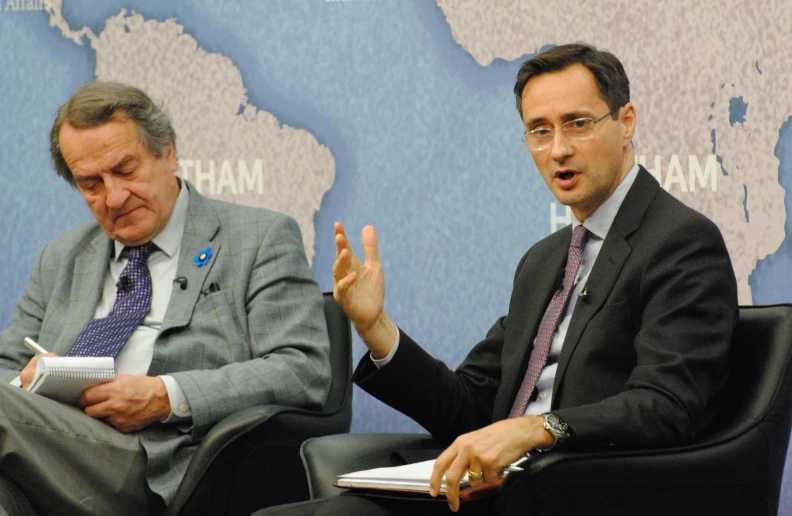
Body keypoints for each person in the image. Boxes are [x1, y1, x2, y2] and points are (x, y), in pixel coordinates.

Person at [254, 43, 738, 516]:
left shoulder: (681, 242)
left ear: (626, 122)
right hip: (488, 492)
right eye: (539, 131)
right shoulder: (544, 260)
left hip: (581, 490)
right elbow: (466, 409)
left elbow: (667, 406)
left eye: (578, 124)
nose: (559, 149)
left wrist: (536, 429)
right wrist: (376, 327)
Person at [0, 81, 331, 516]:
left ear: (168, 153)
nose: (114, 197)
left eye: (125, 170)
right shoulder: (60, 259)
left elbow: (302, 368)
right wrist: (28, 385)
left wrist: (165, 396)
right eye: (91, 184)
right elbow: (7, 365)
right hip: (46, 450)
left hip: (162, 463)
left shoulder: (257, 239)